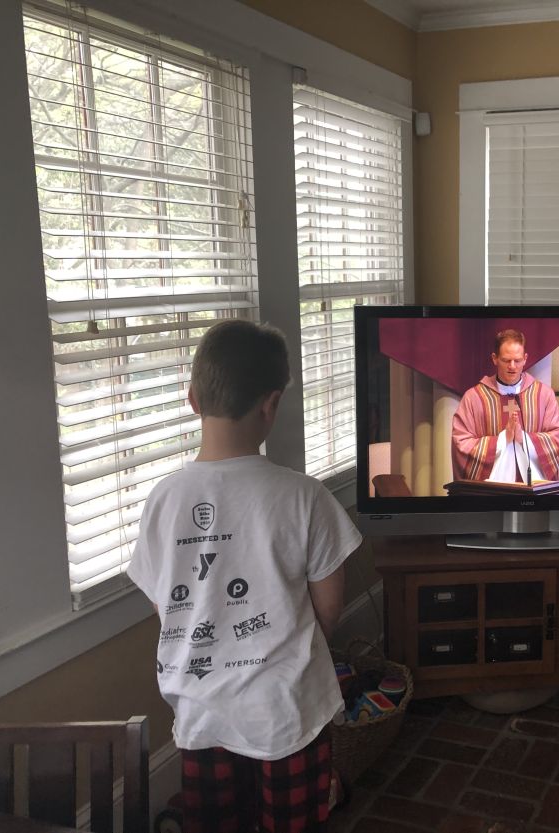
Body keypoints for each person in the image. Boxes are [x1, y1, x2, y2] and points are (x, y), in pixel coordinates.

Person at [127, 319, 361, 833]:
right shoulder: (305, 497)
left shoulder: (162, 500)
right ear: (271, 404)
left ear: (192, 399)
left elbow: (165, 606)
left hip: (201, 709)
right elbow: (327, 611)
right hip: (287, 709)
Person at [451, 328, 559, 483]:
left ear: (525, 358)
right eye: (506, 360)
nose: (512, 366)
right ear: (494, 358)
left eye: (518, 360)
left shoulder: (543, 394)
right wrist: (502, 440)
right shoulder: (474, 398)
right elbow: (461, 442)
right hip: (492, 492)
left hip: (533, 488)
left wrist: (526, 440)